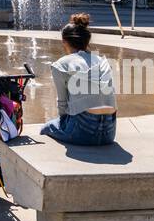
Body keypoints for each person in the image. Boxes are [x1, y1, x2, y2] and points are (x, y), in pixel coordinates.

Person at [39, 14, 117, 146]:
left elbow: (62, 104)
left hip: (82, 131)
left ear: (64, 41)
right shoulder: (102, 61)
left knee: (46, 128)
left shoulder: (61, 65)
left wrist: (63, 122)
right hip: (109, 132)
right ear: (87, 41)